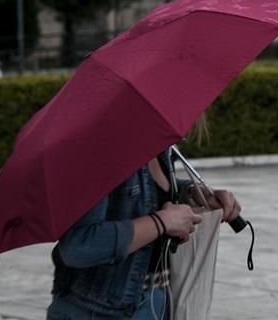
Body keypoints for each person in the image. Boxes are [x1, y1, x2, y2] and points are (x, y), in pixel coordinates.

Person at [47, 137, 242, 320]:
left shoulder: (159, 145)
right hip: (97, 310)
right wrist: (161, 222)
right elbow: (78, 246)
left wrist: (193, 193)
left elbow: (146, 195)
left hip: (156, 301)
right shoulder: (101, 148)